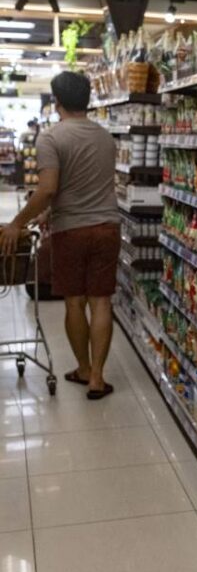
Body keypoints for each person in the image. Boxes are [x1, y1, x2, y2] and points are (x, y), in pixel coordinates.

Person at [0, 71, 119, 399]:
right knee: (101, 301)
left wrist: (17, 223)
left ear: (57, 102)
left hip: (72, 232)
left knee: (75, 301)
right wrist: (47, 214)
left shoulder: (51, 138)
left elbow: (49, 188)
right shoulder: (105, 137)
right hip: (107, 228)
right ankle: (98, 378)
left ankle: (83, 369)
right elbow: (86, 186)